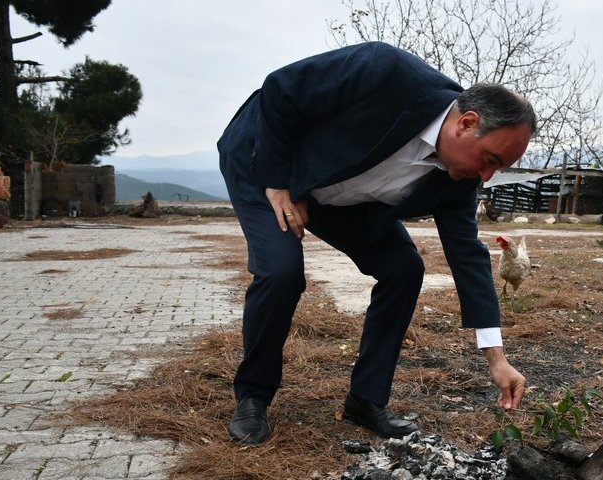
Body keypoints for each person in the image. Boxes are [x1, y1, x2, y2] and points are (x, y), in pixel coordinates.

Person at [217, 41, 534, 444]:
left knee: (403, 268)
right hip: (265, 161)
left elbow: (467, 256)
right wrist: (278, 181)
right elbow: (281, 89)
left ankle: (366, 399)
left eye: (498, 168)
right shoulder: (387, 72)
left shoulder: (459, 180)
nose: (487, 176)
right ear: (466, 123)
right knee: (281, 271)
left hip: (340, 197)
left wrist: (497, 358)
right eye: (490, 159)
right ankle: (253, 397)